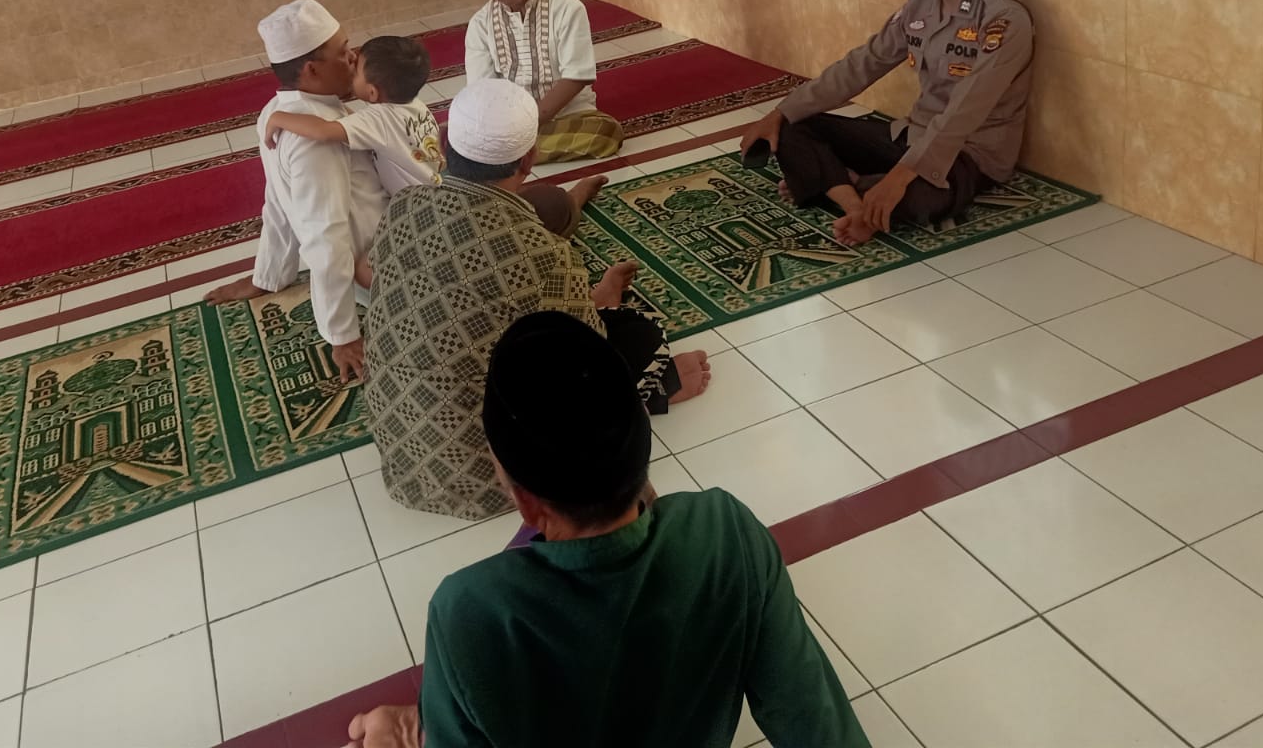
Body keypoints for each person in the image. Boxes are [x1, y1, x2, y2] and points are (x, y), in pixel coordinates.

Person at [348, 311, 871, 748]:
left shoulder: (470, 610)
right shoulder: (724, 532)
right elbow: (817, 725)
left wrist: (426, 728)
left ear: (525, 502)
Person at [363, 78, 712, 520]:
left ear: (445, 146)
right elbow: (589, 361)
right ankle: (655, 394)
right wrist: (599, 305)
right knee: (636, 334)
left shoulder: (402, 206)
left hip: (402, 456)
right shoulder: (544, 255)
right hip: (499, 474)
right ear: (529, 160)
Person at [740, 0, 1033, 247]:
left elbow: (964, 112)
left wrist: (901, 176)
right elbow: (862, 64)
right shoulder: (921, 3)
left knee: (922, 198)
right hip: (913, 136)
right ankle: (856, 202)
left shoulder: (1003, 18)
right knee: (794, 125)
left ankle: (836, 183)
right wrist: (780, 111)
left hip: (968, 154)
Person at [205, 0, 385, 382]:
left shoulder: (276, 112)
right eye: (343, 52)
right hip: (377, 269)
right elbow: (324, 233)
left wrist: (268, 276)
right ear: (311, 70)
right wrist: (342, 333)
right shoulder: (313, 137)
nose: (354, 57)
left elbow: (279, 201)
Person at [262, 35, 442, 288]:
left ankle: (415, 292)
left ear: (372, 92)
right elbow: (365, 124)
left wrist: (279, 118)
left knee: (365, 270)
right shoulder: (415, 106)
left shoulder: (378, 120)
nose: (351, 59)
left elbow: (324, 131)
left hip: (415, 218)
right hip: (437, 200)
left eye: (356, 70)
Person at [465, 0, 624, 163]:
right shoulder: (480, 24)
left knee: (606, 132)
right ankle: (514, 152)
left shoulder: (566, 7)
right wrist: (506, 125)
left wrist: (528, 125)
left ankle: (506, 156)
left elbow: (577, 76)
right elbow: (482, 90)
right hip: (511, 123)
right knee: (465, 133)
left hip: (569, 114)